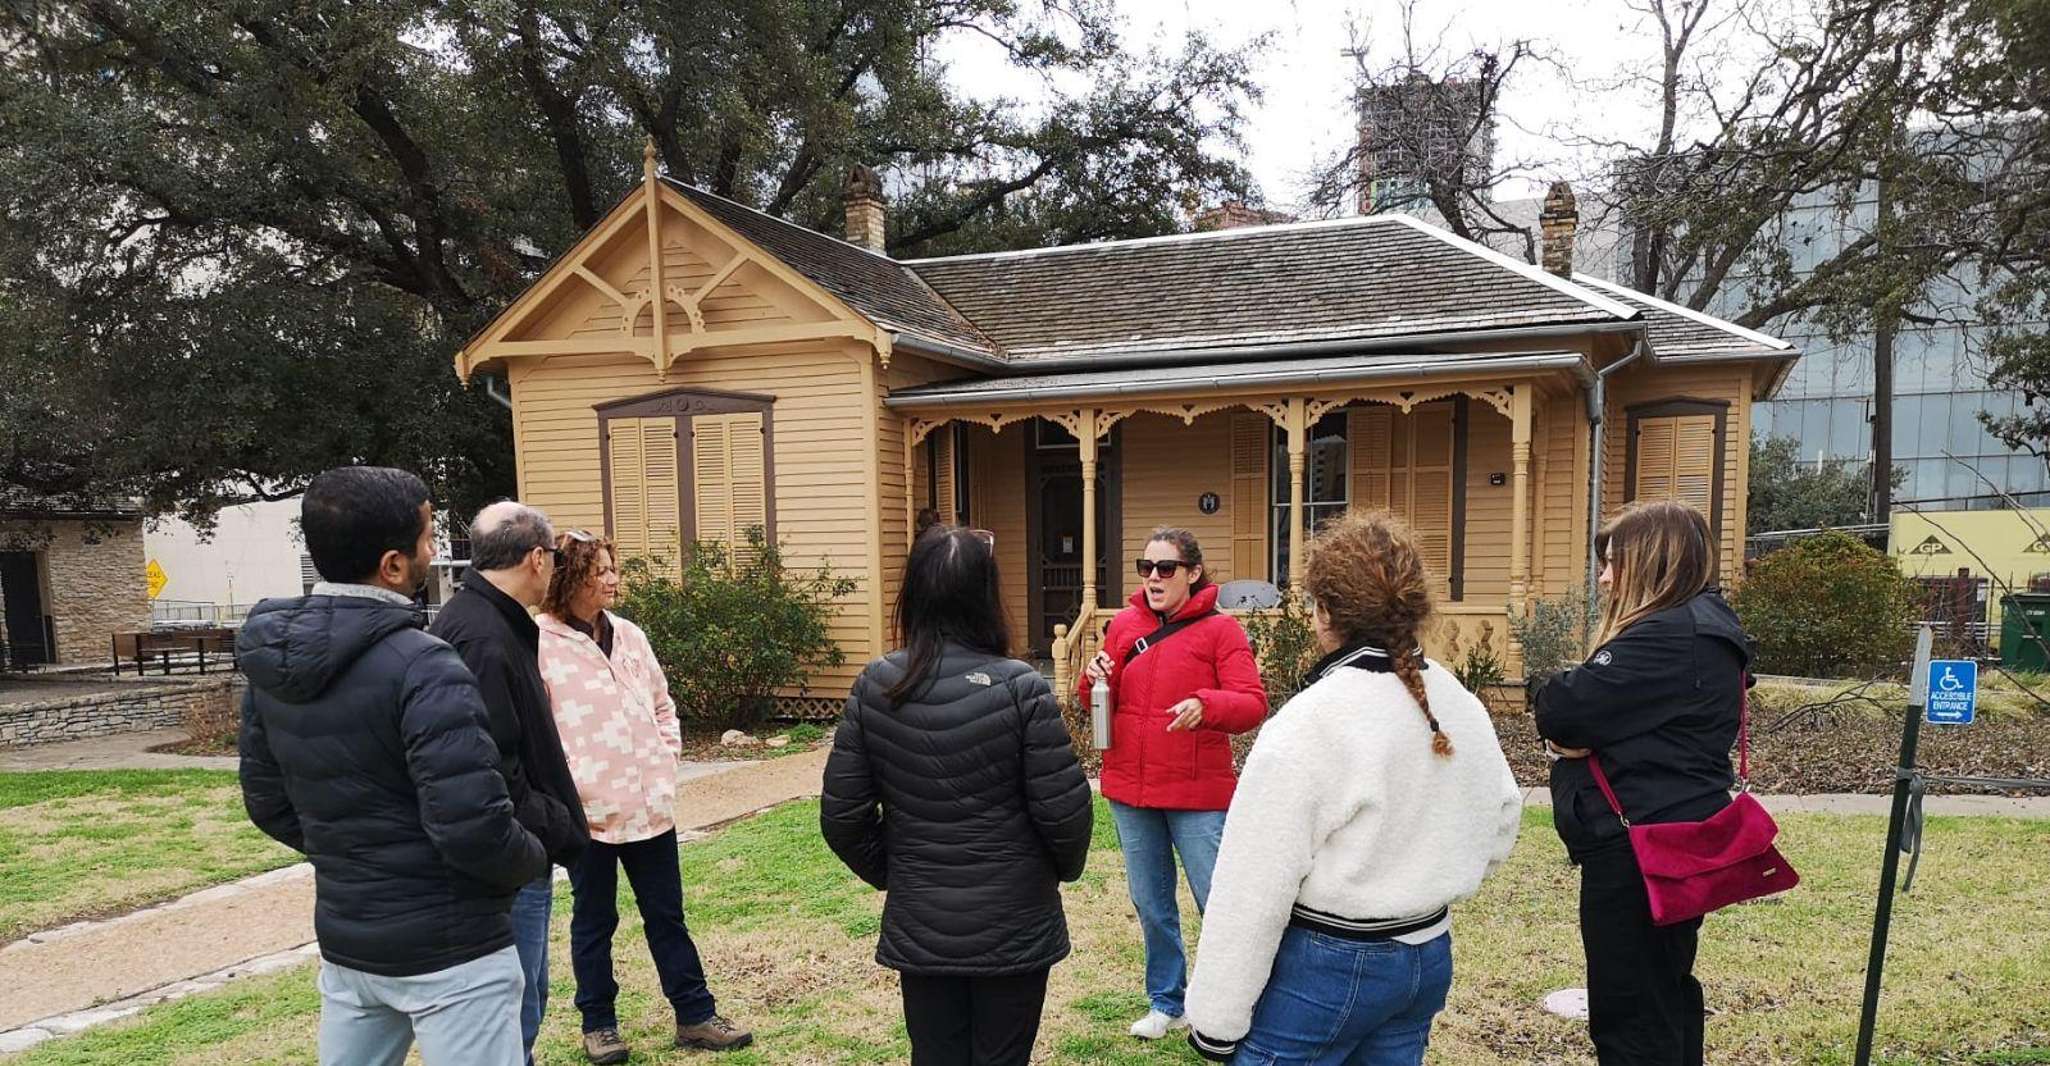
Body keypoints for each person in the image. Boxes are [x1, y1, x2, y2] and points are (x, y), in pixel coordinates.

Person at [1184, 510, 1522, 1065]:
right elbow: (1502, 820)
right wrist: (1422, 876)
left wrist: (1217, 1022)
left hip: (1330, 961)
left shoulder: (1312, 720)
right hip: (1426, 953)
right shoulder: (1458, 701)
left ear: (1324, 612)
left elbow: (1253, 886)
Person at [238, 466, 547, 1066]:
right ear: (393, 565)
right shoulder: (426, 665)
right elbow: (474, 826)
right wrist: (533, 856)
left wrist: (357, 859)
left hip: (351, 944)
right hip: (453, 953)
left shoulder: (272, 667)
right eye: (429, 537)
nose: (435, 552)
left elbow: (268, 803)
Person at [822, 526, 1093, 1066]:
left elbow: (843, 818)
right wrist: (1052, 873)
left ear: (913, 594)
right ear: (987, 594)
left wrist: (901, 874)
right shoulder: (1021, 686)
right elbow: (1066, 815)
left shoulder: (877, 684)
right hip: (1014, 919)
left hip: (925, 921)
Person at [1534, 500, 1749, 1066]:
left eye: (1614, 563)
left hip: (1637, 849)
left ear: (1653, 561)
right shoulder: (1702, 627)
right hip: (1664, 840)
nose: (1605, 579)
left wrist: (1560, 716)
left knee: (1630, 1010)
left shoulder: (1669, 636)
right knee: (1664, 989)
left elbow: (1562, 709)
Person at [536, 531, 753, 1062]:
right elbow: (538, 731)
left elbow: (662, 705)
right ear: (571, 578)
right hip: (588, 816)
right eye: (600, 571)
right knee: (594, 922)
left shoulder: (630, 635)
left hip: (650, 808)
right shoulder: (540, 642)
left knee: (667, 915)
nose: (612, 579)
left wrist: (664, 762)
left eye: (613, 568)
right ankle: (599, 1024)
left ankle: (695, 1015)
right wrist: (572, 788)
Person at [1079, 527, 1268, 1040]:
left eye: (1166, 568)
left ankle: (1236, 1007)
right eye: (1146, 568)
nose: (1154, 578)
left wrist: (1208, 704)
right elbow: (1093, 700)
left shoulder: (1221, 631)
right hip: (1131, 791)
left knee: (1217, 904)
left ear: (1193, 573)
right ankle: (1167, 1002)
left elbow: (1252, 703)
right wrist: (1092, 676)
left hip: (1196, 794)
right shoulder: (1124, 625)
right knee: (1151, 904)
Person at [428, 501, 591, 1065]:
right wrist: (548, 826)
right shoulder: (481, 637)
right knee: (510, 1012)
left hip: (518, 850)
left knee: (528, 996)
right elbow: (489, 762)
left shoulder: (491, 621)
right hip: (507, 858)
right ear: (537, 559)